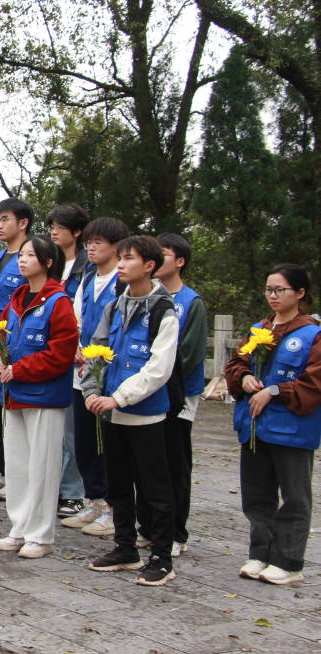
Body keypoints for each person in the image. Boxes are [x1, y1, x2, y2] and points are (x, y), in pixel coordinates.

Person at [82, 235, 179, 586]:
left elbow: (158, 369)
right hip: (112, 412)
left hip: (145, 414)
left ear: (149, 266)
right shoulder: (115, 306)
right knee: (118, 484)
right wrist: (92, 390)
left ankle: (162, 557)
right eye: (120, 258)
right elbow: (96, 351)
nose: (120, 265)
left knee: (154, 488)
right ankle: (125, 547)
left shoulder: (163, 311)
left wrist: (119, 398)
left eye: (128, 259)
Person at [225, 264, 320, 585]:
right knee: (257, 494)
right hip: (255, 424)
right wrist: (244, 377)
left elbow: (314, 381)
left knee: (294, 495)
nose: (273, 296)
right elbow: (236, 363)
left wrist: (275, 391)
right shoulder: (259, 329)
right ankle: (260, 553)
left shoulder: (312, 333)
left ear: (300, 293)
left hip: (291, 427)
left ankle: (289, 561)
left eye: (280, 290)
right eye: (269, 289)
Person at [0, 236, 78, 559]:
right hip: (13, 395)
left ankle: (41, 535)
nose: (22, 260)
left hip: (44, 396)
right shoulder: (15, 299)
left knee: (43, 467)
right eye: (21, 255)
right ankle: (19, 528)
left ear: (48, 262)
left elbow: (61, 353)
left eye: (30, 255)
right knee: (17, 467)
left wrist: (21, 369)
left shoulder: (58, 301)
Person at [135, 233, 207, 556]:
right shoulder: (145, 296)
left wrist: (160, 379)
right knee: (147, 462)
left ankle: (176, 531)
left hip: (176, 395)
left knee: (175, 463)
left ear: (179, 261)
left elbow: (189, 354)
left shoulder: (191, 302)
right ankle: (149, 526)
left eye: (163, 254)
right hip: (146, 392)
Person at [62, 216, 129, 536]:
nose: (91, 247)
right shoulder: (88, 279)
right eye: (88, 242)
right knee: (85, 441)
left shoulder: (122, 281)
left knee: (108, 444)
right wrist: (76, 347)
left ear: (116, 247)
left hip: (108, 373)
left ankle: (115, 508)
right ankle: (94, 501)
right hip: (82, 372)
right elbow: (75, 318)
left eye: (98, 242)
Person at [0, 197, 34, 498]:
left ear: (23, 223)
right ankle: (2, 471)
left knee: (17, 412)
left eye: (5, 219)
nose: (0, 225)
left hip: (21, 343)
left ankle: (22, 477)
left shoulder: (33, 255)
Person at [46, 204, 90, 519]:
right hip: (47, 351)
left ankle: (73, 492)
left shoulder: (86, 268)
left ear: (76, 232)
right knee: (53, 429)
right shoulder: (50, 264)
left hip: (78, 355)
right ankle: (53, 488)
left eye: (60, 226)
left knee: (72, 431)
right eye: (51, 226)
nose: (53, 231)